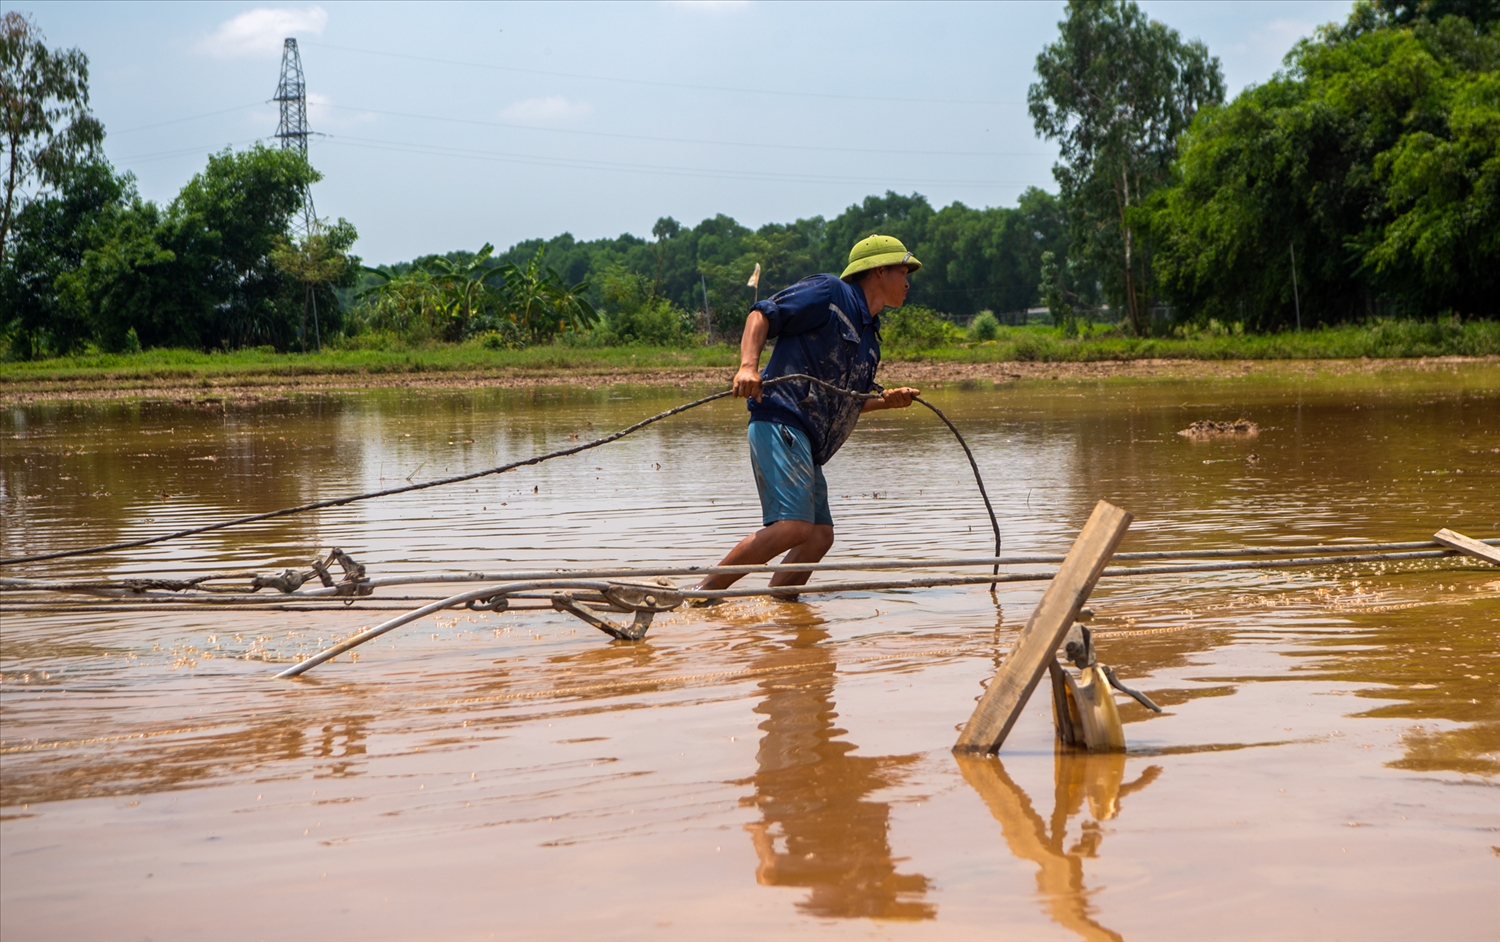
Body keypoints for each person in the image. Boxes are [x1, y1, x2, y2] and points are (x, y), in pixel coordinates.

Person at [698, 234, 922, 595]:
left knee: (818, 537)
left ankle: (781, 608)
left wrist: (887, 401)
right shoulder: (829, 294)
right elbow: (762, 313)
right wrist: (747, 367)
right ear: (879, 271)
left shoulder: (869, 339)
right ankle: (699, 596)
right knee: (794, 528)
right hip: (781, 419)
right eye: (903, 270)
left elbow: (848, 400)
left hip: (806, 442)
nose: (908, 281)